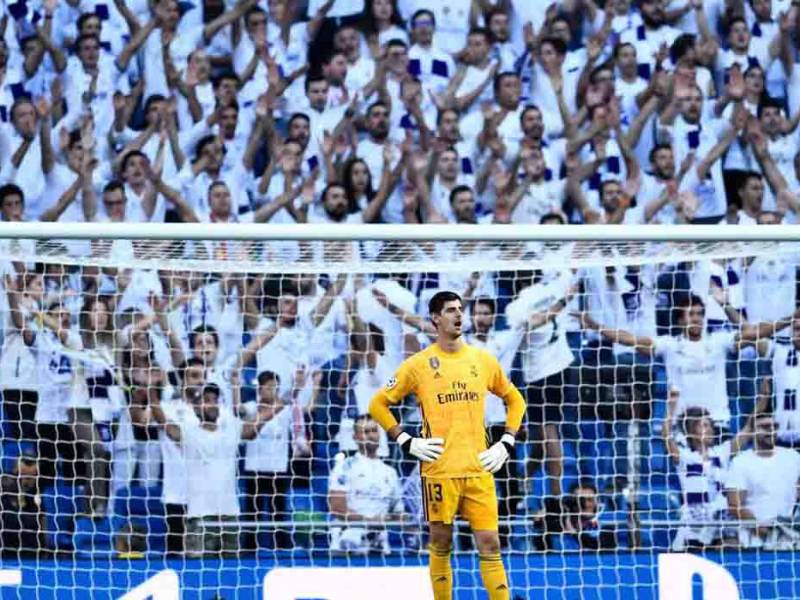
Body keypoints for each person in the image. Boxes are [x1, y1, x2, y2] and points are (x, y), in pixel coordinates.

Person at [369, 290, 525, 600]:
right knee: (441, 543)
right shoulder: (419, 364)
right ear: (436, 319)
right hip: (438, 471)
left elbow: (515, 400)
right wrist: (405, 440)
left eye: (460, 309)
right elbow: (378, 404)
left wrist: (506, 441)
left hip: (479, 469)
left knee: (490, 543)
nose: (458, 315)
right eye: (451, 310)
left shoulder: (482, 361)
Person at [663, 386, 767, 550]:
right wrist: (671, 408)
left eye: (710, 424)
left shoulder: (722, 453)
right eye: (703, 425)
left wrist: (763, 398)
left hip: (721, 525)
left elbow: (749, 428)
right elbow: (667, 438)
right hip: (694, 527)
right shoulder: (685, 458)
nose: (710, 429)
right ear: (692, 432)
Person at [327, 415, 405, 553]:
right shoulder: (344, 467)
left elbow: (398, 512)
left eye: (374, 431)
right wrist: (370, 521)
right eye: (365, 432)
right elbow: (337, 508)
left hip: (380, 545)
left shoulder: (390, 472)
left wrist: (409, 520)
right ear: (355, 437)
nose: (371, 436)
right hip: (349, 541)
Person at [726, 412, 800, 548]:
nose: (771, 430)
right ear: (753, 431)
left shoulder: (793, 457)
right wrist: (763, 532)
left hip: (790, 538)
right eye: (765, 427)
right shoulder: (740, 462)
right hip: (753, 539)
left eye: (774, 426)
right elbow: (734, 505)